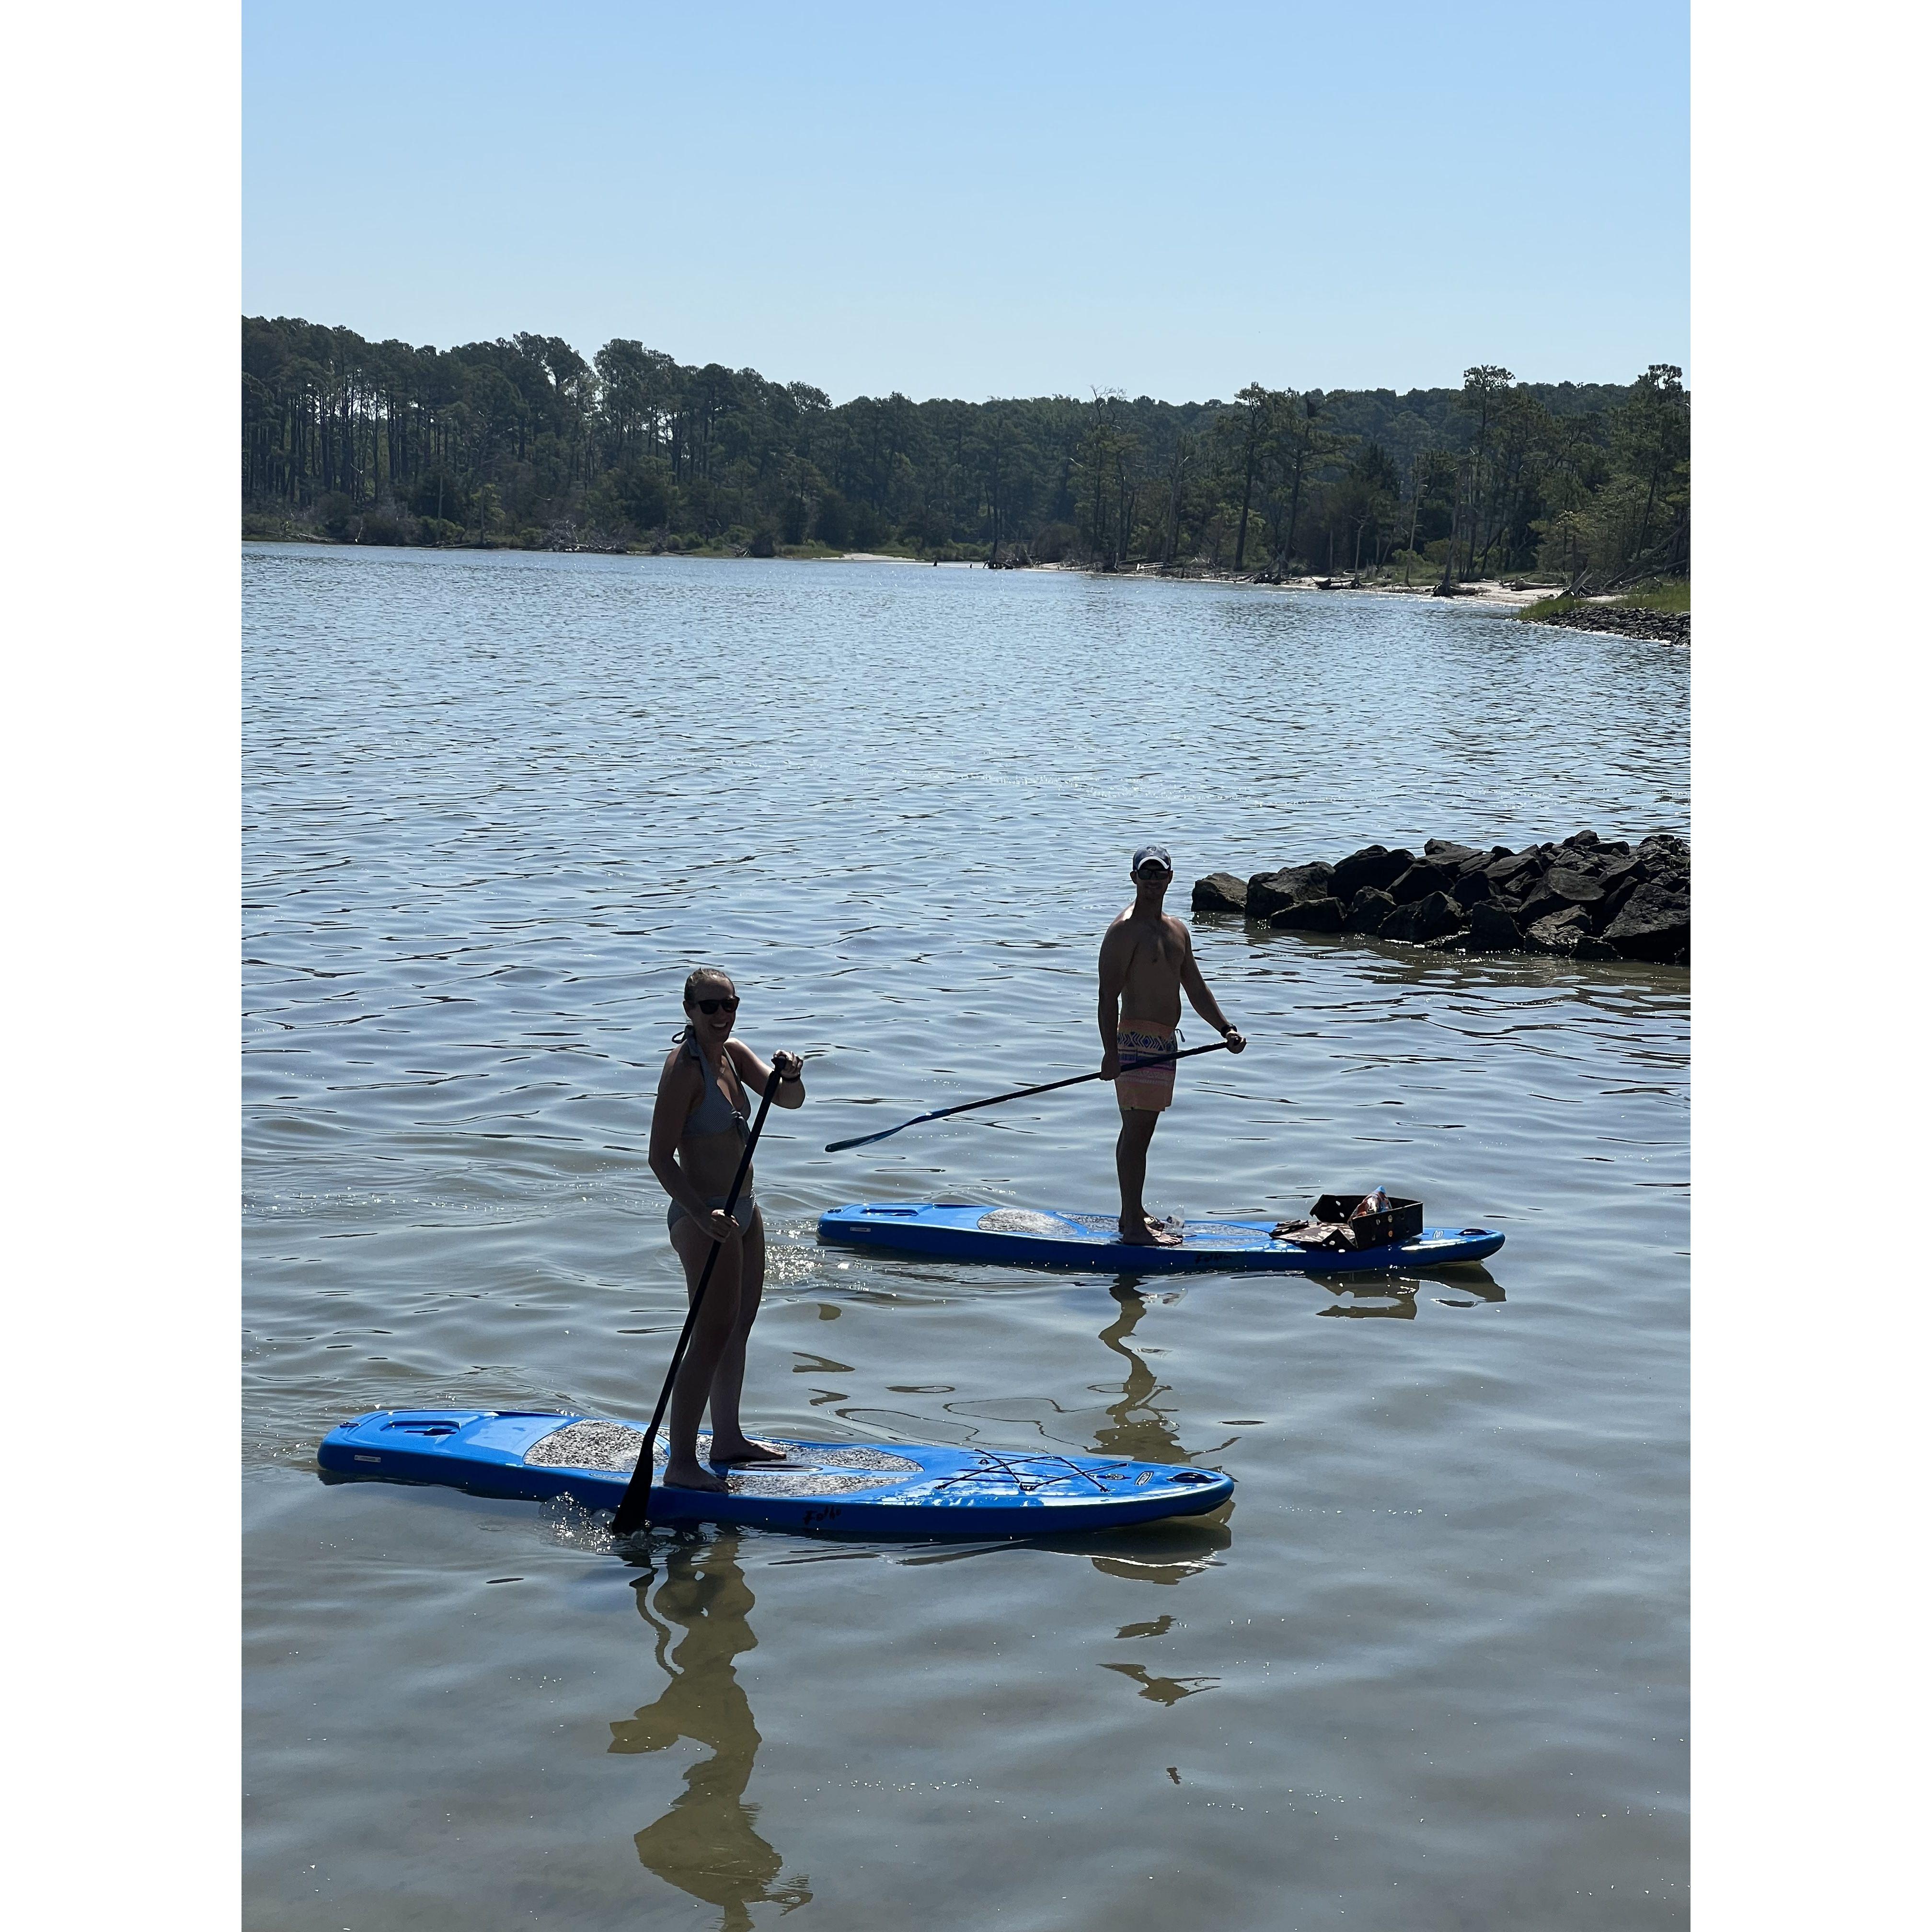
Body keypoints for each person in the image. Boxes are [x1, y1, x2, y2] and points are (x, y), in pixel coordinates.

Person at [648, 967, 805, 1490]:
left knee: (738, 1325)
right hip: (703, 1216)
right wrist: (698, 1214)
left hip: (744, 1208)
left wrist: (792, 1073)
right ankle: (681, 1466)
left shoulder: (734, 1055)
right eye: (710, 1006)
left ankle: (729, 1439)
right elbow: (660, 1159)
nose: (722, 1015)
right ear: (689, 1010)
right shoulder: (683, 1071)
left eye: (730, 1004)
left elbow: (788, 1100)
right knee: (710, 1334)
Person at [1098, 846, 1245, 1245]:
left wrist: (1225, 1028)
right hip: (1133, 1041)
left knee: (1139, 1132)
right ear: (1134, 879)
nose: (1152, 880)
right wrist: (1111, 1053)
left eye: (1159, 874)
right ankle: (1132, 1227)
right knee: (1137, 1131)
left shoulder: (1178, 929)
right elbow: (1107, 997)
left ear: (1169, 878)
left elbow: (1195, 986)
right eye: (1145, 874)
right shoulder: (1123, 931)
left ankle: (1133, 1213)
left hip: (1165, 1043)